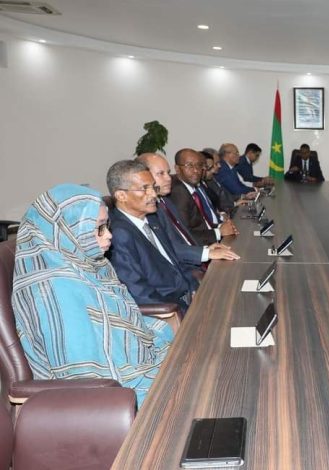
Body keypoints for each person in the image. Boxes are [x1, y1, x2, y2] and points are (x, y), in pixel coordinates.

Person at [11, 184, 173, 406]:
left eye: (107, 226)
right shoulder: (55, 289)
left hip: (125, 369)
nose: (109, 235)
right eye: (98, 229)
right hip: (104, 396)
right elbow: (84, 376)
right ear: (68, 231)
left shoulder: (89, 264)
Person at [107, 160, 198, 310]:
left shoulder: (152, 219)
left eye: (153, 187)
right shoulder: (119, 234)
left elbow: (175, 263)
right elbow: (140, 293)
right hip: (171, 310)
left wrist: (196, 289)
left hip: (188, 298)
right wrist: (181, 309)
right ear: (121, 195)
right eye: (145, 188)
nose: (154, 194)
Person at [136, 152, 240, 268]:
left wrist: (206, 249)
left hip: (195, 254)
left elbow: (183, 236)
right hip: (184, 267)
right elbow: (170, 248)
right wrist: (207, 251)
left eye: (168, 173)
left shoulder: (165, 201)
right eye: (161, 173)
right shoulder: (154, 207)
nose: (169, 178)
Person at [170, 148, 239, 246]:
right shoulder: (179, 193)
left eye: (199, 165)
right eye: (189, 166)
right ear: (177, 169)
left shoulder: (190, 187)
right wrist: (219, 232)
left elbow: (202, 224)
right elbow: (185, 235)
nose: (196, 170)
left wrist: (222, 227)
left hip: (209, 239)